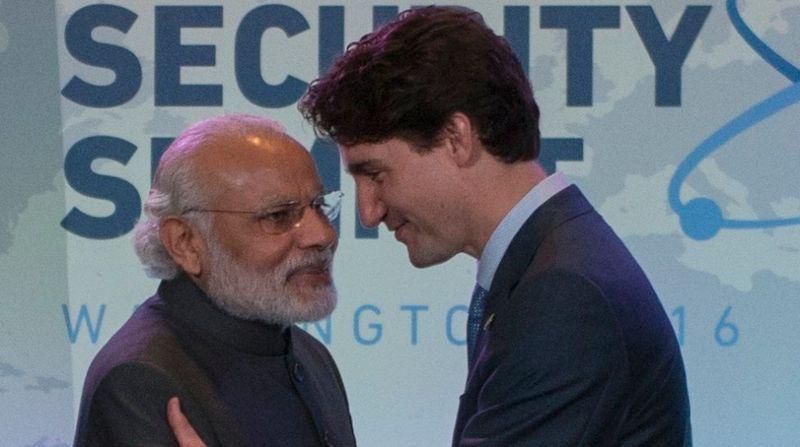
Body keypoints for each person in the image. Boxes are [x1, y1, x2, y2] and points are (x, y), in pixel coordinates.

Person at [170, 6, 691, 447]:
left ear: (456, 138)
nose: (368, 212)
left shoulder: (561, 296)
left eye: (375, 174)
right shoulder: (549, 261)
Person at [73, 114, 357, 447]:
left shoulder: (309, 355)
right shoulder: (141, 381)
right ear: (185, 243)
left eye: (319, 206)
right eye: (278, 216)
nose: (323, 235)